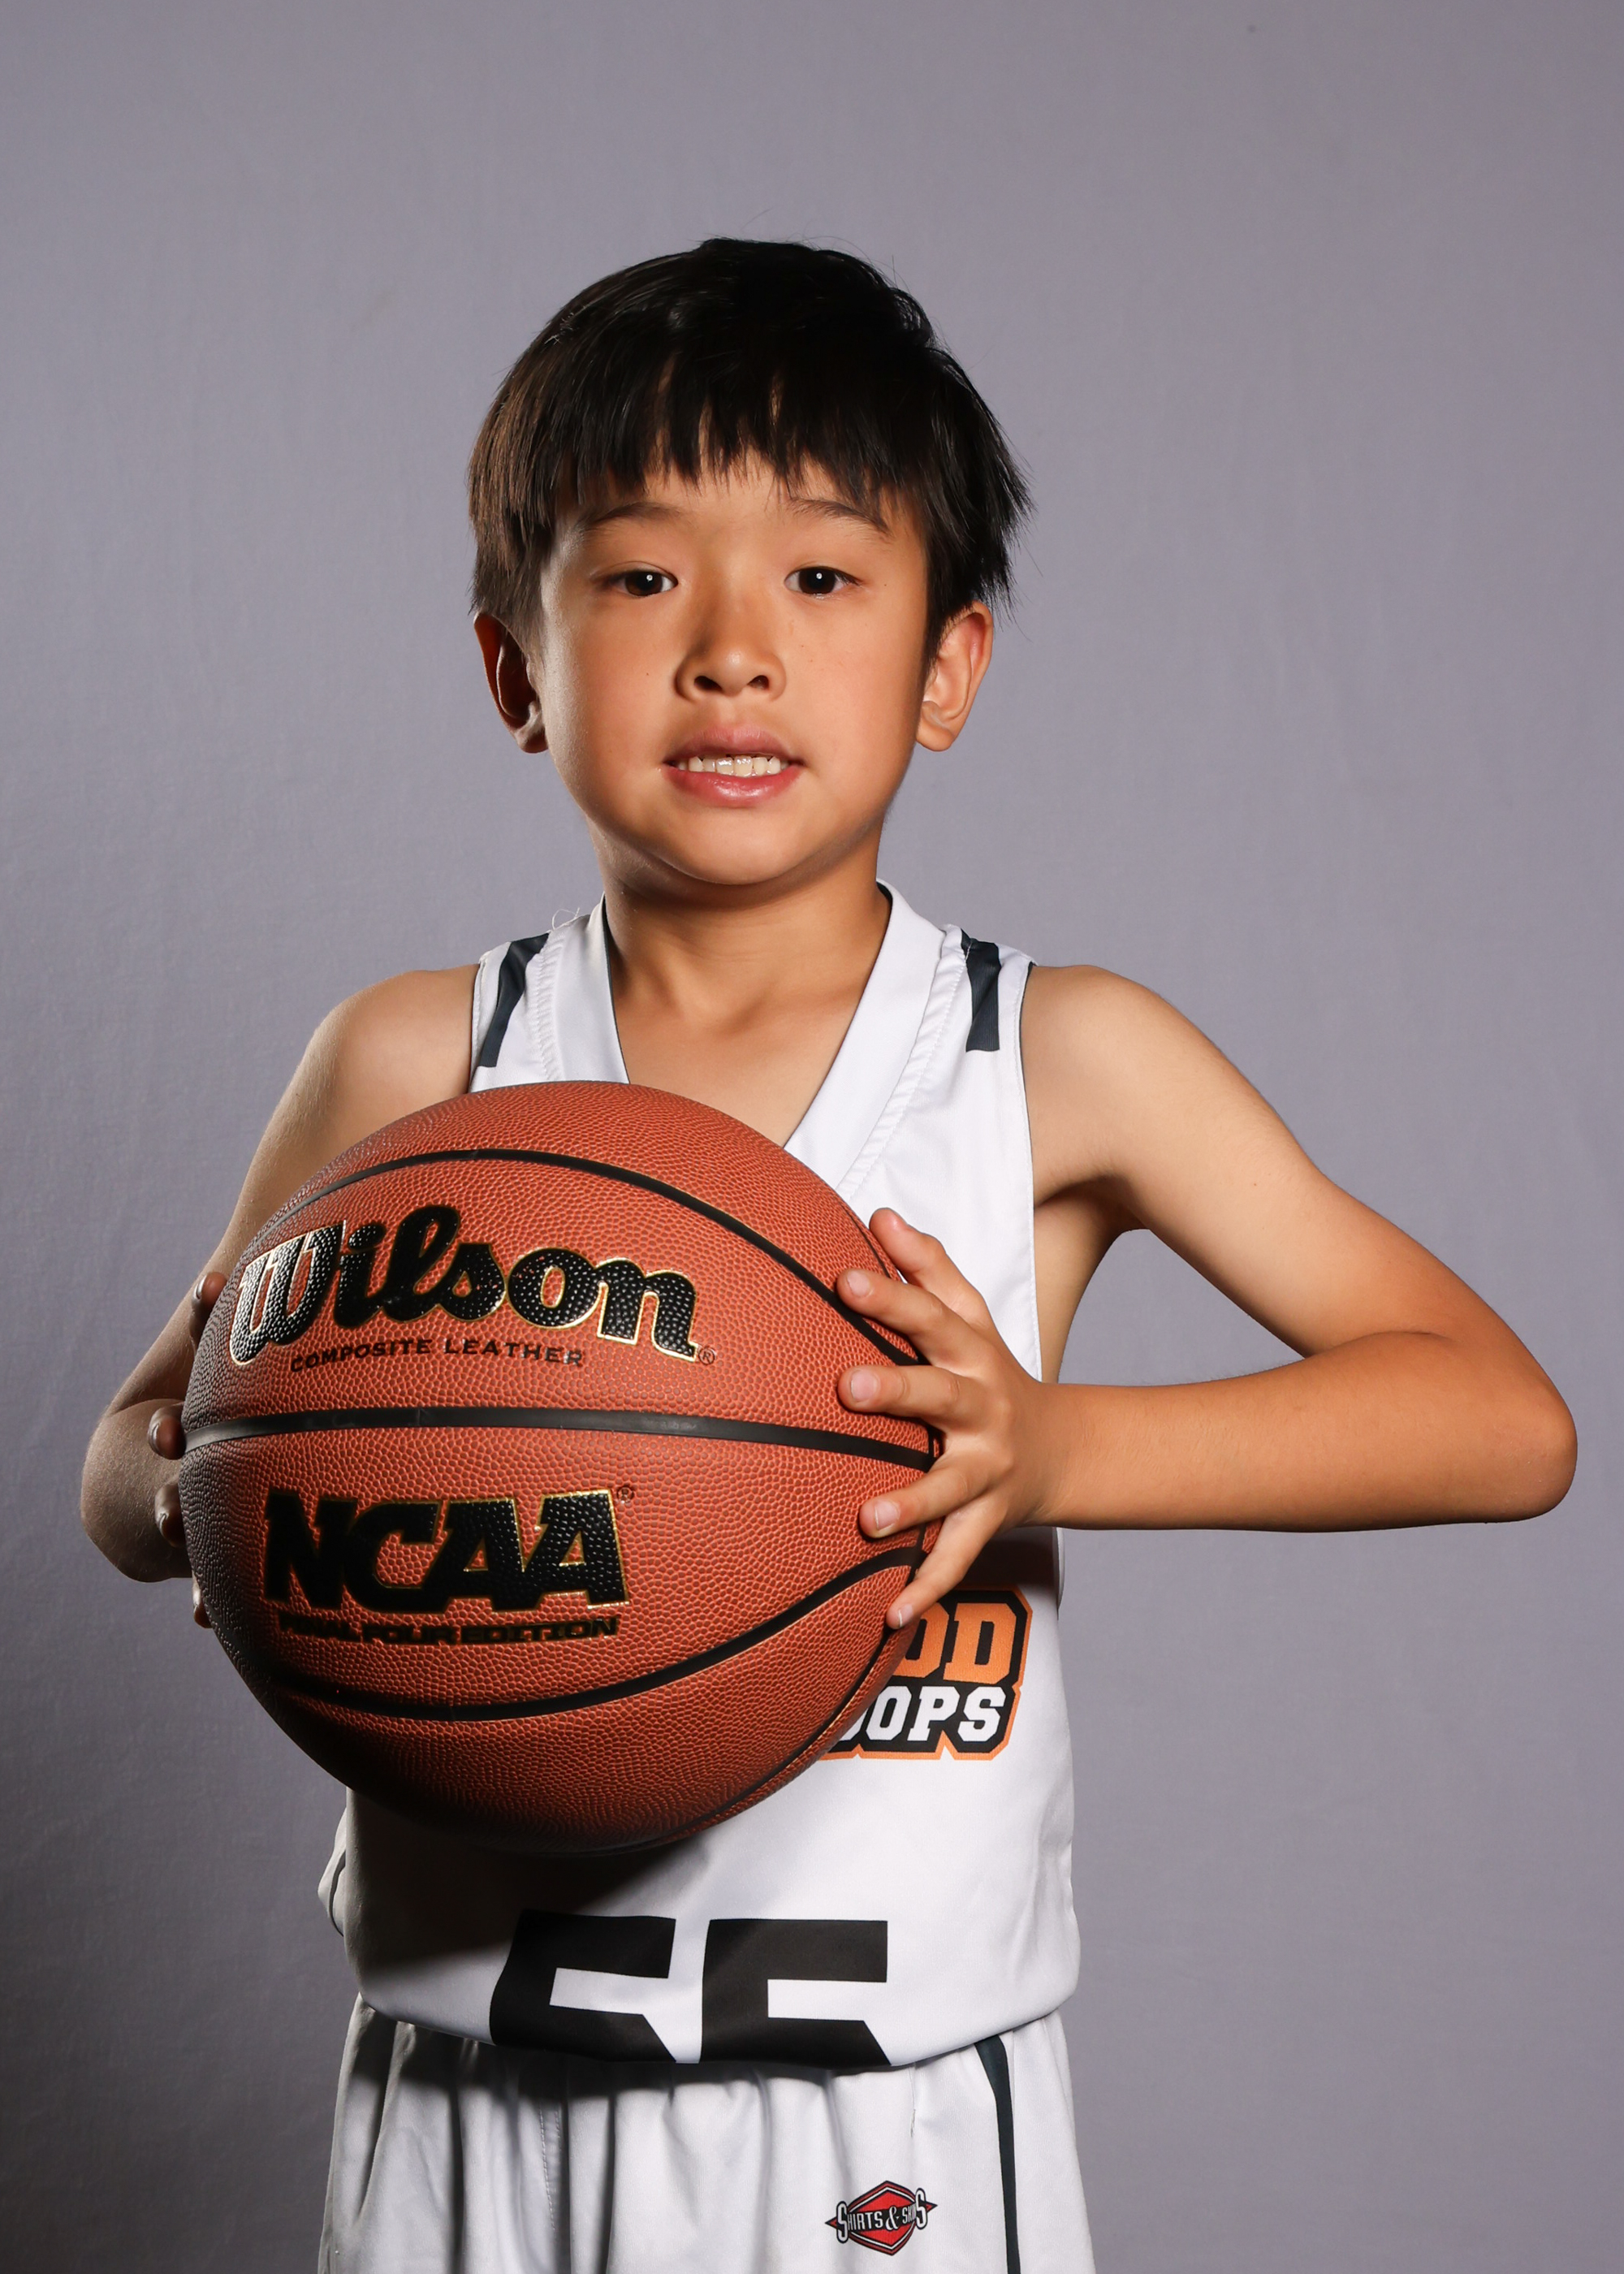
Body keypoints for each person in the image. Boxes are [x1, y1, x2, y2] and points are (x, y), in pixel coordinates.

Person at [80, 240, 1575, 2273]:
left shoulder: (1055, 1054)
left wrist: (1056, 1448)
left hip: (881, 2105)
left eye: (817, 574)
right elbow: (135, 1461)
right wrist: (223, 1494)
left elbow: (1497, 1415)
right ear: (514, 669)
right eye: (638, 577)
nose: (729, 652)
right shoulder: (416, 1059)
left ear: (948, 666)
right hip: (465, 2088)